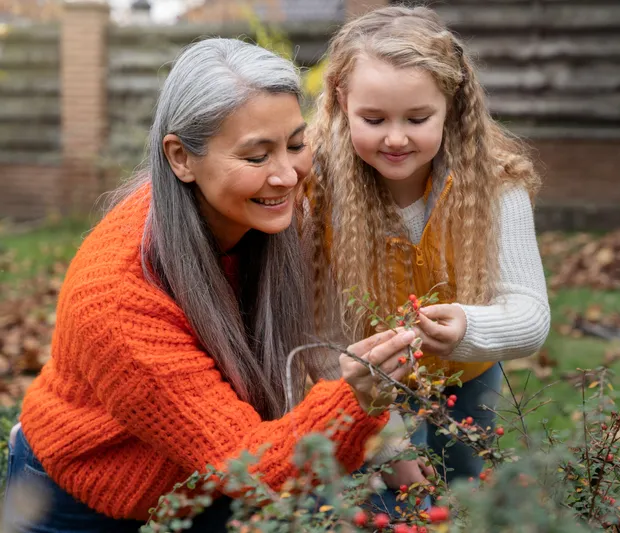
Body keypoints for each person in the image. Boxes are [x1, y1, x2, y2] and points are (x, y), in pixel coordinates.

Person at [2, 38, 416, 533]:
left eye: (296, 145)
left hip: (201, 479)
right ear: (181, 158)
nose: (287, 174)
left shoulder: (269, 218)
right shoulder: (118, 299)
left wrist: (397, 460)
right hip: (81, 501)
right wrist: (356, 401)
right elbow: (252, 468)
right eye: (257, 156)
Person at [305, 6, 551, 486]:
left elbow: (530, 316)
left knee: (459, 493)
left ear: (451, 106)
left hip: (468, 377)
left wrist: (468, 327)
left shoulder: (497, 185)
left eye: (418, 118)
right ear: (341, 100)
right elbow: (317, 330)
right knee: (384, 501)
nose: (395, 138)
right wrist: (387, 435)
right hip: (362, 384)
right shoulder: (316, 191)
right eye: (373, 119)